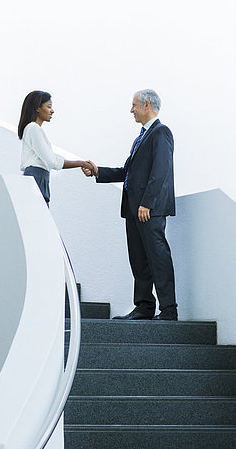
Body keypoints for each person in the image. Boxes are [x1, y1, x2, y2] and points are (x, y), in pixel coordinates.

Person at [83, 89, 177, 321]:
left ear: (146, 104)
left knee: (158, 257)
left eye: (134, 105)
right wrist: (98, 171)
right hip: (134, 210)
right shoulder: (141, 137)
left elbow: (161, 171)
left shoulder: (161, 132)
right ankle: (144, 307)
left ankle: (169, 310)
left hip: (149, 210)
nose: (131, 110)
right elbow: (128, 172)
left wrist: (147, 203)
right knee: (138, 259)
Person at [18, 90, 95, 205]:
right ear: (38, 108)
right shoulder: (33, 128)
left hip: (38, 178)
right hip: (36, 179)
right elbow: (52, 161)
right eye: (49, 106)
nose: (52, 111)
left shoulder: (33, 129)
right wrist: (81, 163)